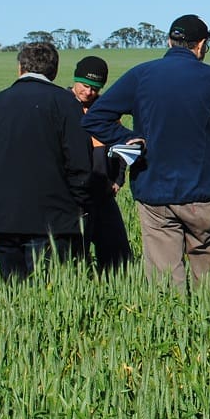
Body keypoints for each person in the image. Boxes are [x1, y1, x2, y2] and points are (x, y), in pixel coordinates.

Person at [83, 14, 210, 294]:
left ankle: (172, 330)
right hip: (204, 194)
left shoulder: (142, 75)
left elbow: (94, 118)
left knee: (165, 285)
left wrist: (127, 138)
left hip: (154, 195)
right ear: (200, 46)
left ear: (169, 41)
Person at [0, 41, 90, 281]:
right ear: (54, 71)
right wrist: (76, 206)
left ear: (20, 68)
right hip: (52, 220)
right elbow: (80, 164)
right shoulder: (66, 103)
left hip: (2, 220)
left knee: (13, 294)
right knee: (48, 297)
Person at [70, 56, 133, 273]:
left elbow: (122, 148)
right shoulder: (62, 105)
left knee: (118, 255)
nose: (89, 92)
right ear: (75, 80)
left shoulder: (106, 110)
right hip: (74, 196)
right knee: (75, 254)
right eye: (85, 86)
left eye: (95, 88)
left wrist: (118, 179)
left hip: (104, 193)